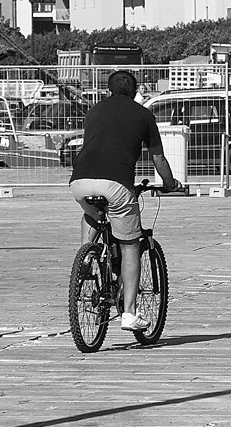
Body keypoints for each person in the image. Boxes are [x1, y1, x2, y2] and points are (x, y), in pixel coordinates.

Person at [69, 70, 182, 332]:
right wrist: (170, 183)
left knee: (94, 214)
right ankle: (129, 313)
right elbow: (159, 160)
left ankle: (86, 258)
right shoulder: (144, 115)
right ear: (135, 91)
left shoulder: (94, 111)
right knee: (130, 244)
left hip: (79, 182)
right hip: (117, 184)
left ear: (109, 90)